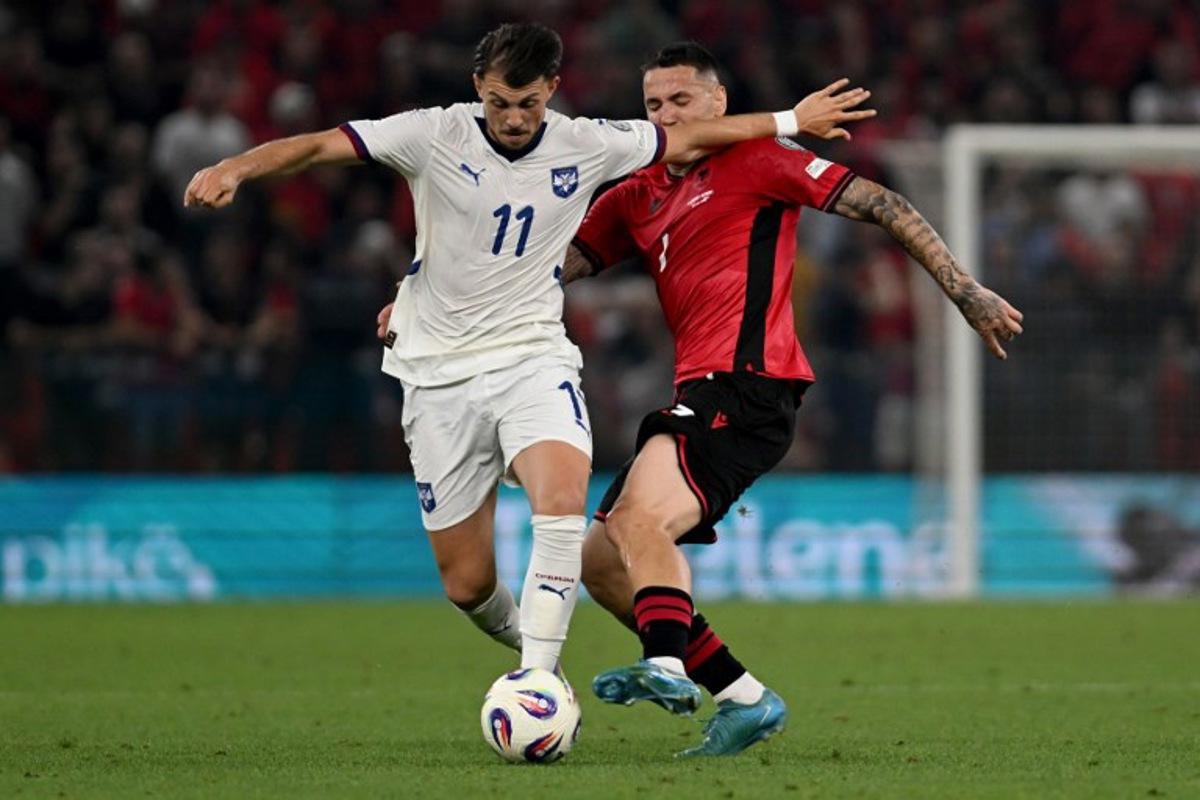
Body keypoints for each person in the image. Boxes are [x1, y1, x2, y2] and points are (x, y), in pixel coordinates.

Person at [187, 23, 874, 675]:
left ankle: (538, 678)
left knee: (562, 499)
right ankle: (535, 650)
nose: (512, 118)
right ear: (476, 85)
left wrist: (789, 121)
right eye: (497, 102)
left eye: (526, 104)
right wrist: (237, 167)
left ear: (550, 88)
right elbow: (314, 147)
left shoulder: (588, 142)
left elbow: (695, 138)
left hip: (530, 356)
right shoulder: (430, 133)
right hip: (436, 371)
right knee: (466, 582)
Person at [556, 42, 1024, 756]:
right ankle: (745, 699)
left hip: (747, 386)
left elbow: (884, 204)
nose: (666, 115)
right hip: (703, 391)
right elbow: (543, 270)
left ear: (718, 104)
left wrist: (965, 289)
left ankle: (665, 663)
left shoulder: (758, 160)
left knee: (640, 520)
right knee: (600, 560)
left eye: (681, 100)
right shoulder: (636, 194)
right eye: (653, 105)